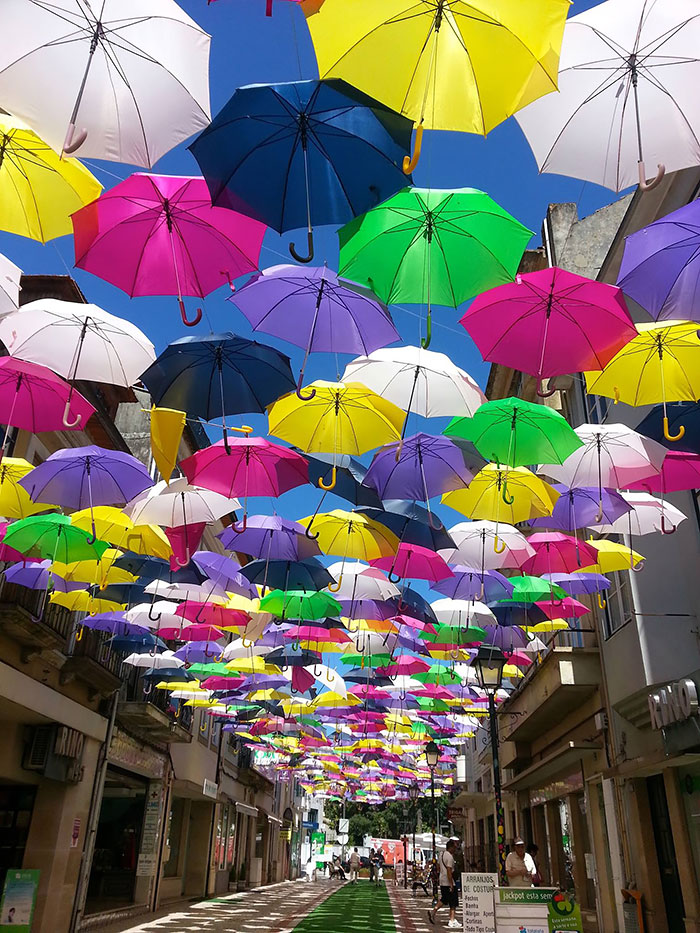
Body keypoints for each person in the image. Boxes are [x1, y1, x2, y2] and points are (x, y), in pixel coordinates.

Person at [427, 840, 460, 928]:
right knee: (453, 902)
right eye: (454, 847)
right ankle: (452, 920)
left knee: (444, 899)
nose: (455, 849)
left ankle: (433, 911)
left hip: (442, 881)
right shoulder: (449, 857)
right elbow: (449, 871)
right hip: (448, 882)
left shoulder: (442, 854)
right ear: (451, 847)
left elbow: (438, 866)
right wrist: (451, 884)